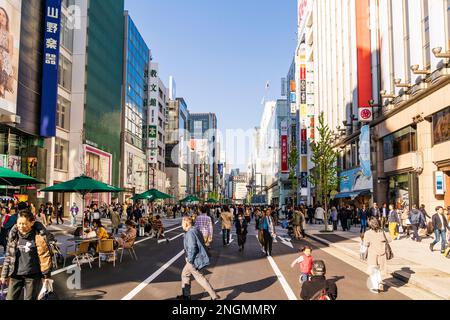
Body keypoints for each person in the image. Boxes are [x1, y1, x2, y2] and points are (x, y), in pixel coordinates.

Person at [0, 210, 53, 300]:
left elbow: (44, 256)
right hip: (15, 274)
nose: (21, 226)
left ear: (31, 223)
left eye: (24, 224)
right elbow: (8, 256)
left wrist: (46, 276)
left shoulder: (38, 236)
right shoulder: (13, 235)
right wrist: (4, 275)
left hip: (32, 276)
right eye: (19, 223)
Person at [177, 216, 219, 301]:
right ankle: (186, 295)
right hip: (196, 258)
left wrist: (190, 260)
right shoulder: (195, 229)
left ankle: (214, 296)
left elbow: (192, 248)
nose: (181, 225)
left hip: (194, 259)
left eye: (182, 223)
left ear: (186, 223)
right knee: (186, 274)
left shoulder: (190, 233)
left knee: (199, 277)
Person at [363, 218, 392, 294]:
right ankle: (380, 283)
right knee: (379, 270)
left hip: (372, 255)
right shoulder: (382, 232)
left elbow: (365, 244)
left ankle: (376, 287)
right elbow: (389, 239)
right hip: (382, 255)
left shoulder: (368, 233)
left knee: (373, 271)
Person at [0, 7, 15, 99]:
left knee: (4, 60)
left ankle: (1, 85)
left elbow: (11, 54)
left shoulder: (10, 35)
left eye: (3, 15)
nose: (1, 17)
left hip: (4, 57)